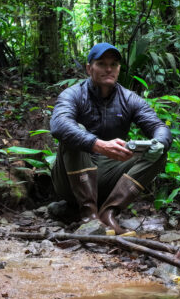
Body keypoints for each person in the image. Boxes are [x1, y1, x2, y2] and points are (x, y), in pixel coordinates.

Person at [49, 42, 171, 234]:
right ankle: (89, 215)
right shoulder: (73, 94)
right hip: (70, 181)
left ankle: (109, 213)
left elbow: (158, 127)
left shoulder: (129, 98)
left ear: (119, 68)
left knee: (158, 152)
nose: (108, 69)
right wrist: (98, 145)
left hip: (109, 177)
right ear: (89, 68)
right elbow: (59, 125)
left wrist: (159, 142)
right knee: (73, 133)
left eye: (113, 64)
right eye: (101, 63)